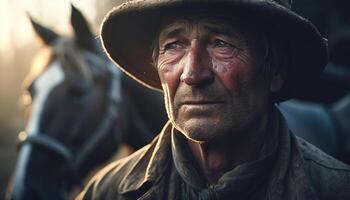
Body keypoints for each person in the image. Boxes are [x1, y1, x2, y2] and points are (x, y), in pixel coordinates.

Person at [77, 0, 350, 199]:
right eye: (174, 45)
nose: (193, 73)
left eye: (221, 43)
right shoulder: (106, 192)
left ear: (275, 70)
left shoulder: (335, 189)